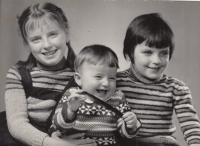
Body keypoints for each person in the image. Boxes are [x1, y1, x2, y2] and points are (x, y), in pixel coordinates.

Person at [4, 2, 97, 146]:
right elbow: (17, 124)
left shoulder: (81, 75)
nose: (46, 45)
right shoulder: (18, 74)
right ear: (27, 44)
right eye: (36, 39)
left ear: (66, 33)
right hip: (28, 140)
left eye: (52, 34)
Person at [116, 13, 200, 146]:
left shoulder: (176, 88)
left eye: (163, 53)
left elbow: (190, 124)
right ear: (130, 52)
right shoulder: (115, 82)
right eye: (148, 52)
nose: (156, 61)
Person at [49, 45, 141, 146]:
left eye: (112, 78)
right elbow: (58, 126)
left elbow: (124, 134)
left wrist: (131, 125)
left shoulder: (118, 98)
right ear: (79, 79)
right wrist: (70, 110)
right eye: (98, 76)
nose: (106, 83)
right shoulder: (72, 96)